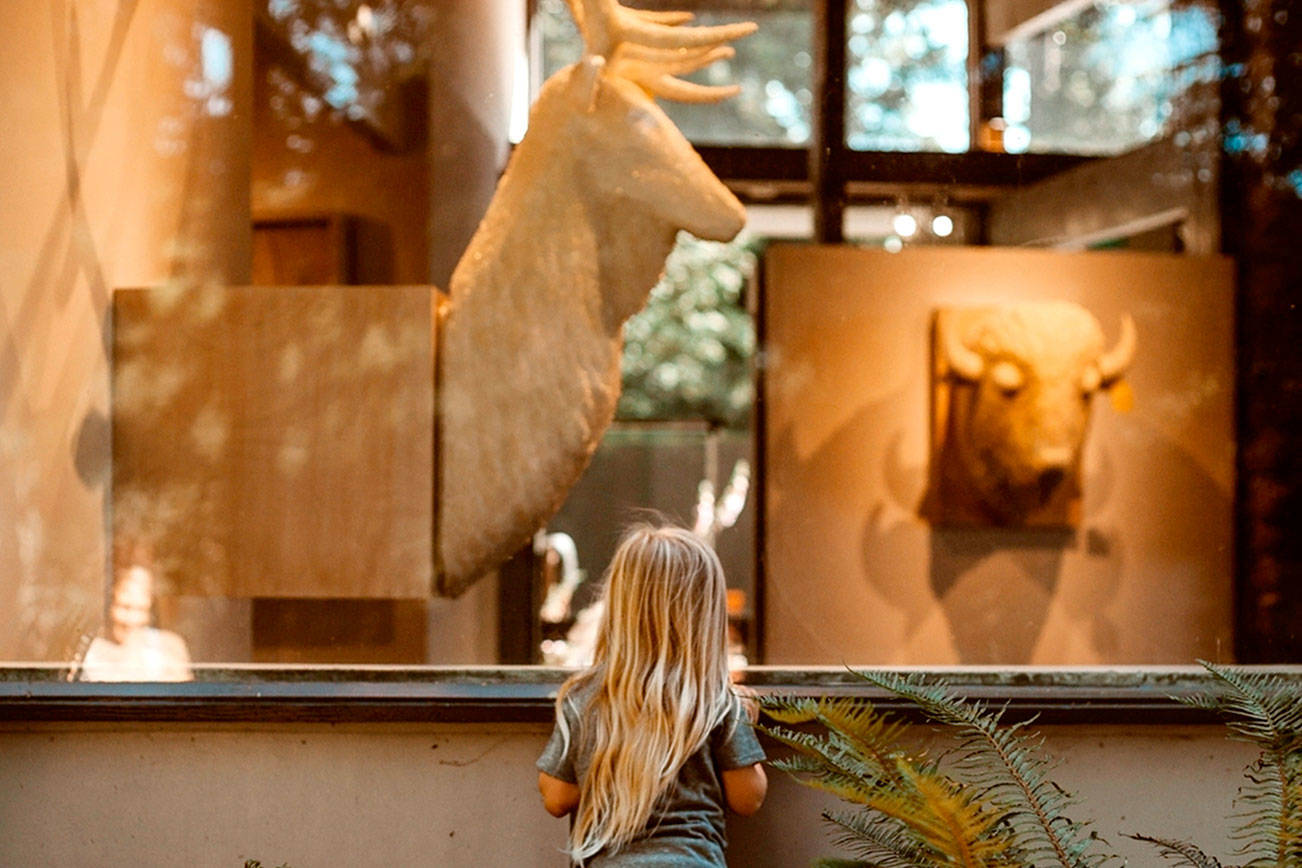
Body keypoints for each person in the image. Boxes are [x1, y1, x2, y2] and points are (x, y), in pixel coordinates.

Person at [536, 524, 767, 866]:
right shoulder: (714, 701)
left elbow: (557, 798)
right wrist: (747, 722)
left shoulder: (585, 698)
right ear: (704, 618)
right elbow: (748, 798)